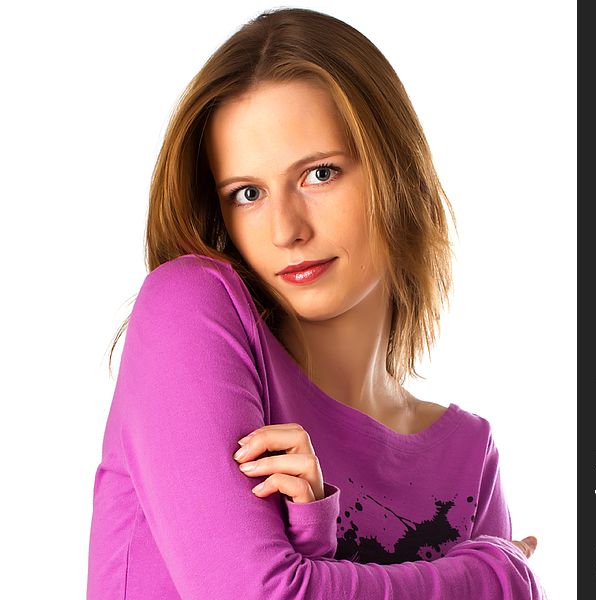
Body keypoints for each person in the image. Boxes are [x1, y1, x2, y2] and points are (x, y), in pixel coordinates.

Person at [86, 7, 546, 599]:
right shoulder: (189, 309)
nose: (286, 229)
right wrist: (490, 577)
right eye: (247, 193)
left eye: (320, 174)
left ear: (395, 170)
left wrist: (309, 546)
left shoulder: (466, 456)